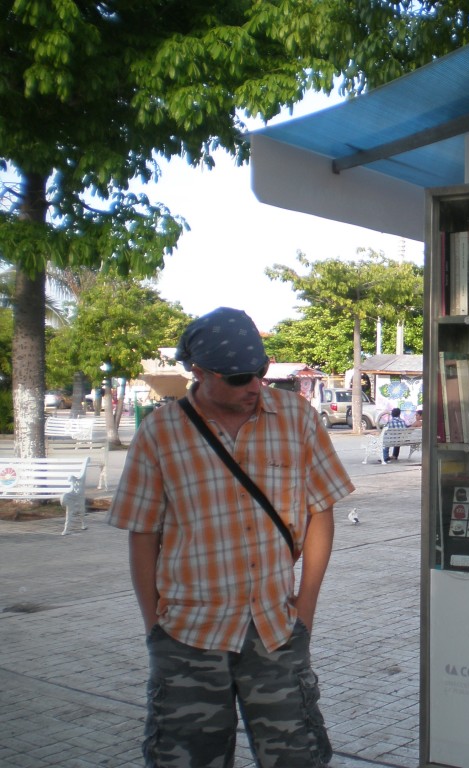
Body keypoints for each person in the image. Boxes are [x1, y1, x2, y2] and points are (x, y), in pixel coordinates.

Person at [108, 307, 354, 767]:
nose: (255, 386)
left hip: (276, 630)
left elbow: (322, 511)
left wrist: (306, 608)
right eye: (240, 378)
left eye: (260, 372)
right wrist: (153, 628)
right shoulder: (160, 433)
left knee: (297, 758)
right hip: (187, 636)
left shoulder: (295, 418)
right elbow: (142, 535)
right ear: (199, 372)